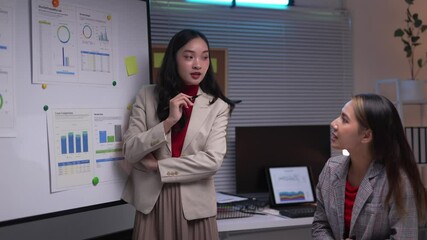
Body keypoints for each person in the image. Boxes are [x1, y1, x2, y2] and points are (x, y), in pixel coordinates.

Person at [121, 29, 235, 240]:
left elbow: (212, 161)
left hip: (196, 210)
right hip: (152, 205)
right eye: (189, 57)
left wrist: (159, 166)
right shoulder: (147, 96)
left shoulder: (217, 106)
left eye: (204, 57)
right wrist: (168, 122)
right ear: (174, 59)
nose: (198, 64)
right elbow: (130, 149)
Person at [312, 93, 427, 240]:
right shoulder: (331, 168)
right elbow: (320, 225)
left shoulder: (397, 180)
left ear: (366, 136)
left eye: (344, 120)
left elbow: (405, 237)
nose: (334, 123)